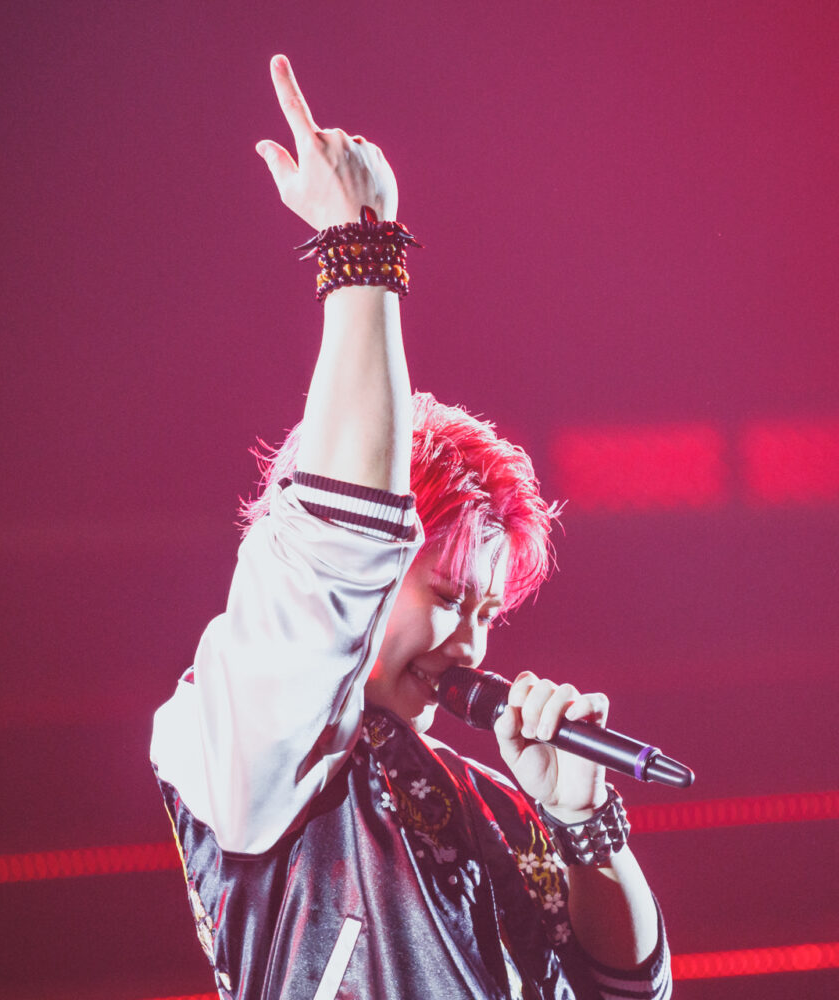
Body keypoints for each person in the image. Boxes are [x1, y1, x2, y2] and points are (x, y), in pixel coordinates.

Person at [150, 54, 671, 1000]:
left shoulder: (494, 805)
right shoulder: (246, 736)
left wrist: (585, 826)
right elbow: (338, 541)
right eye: (446, 594)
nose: (471, 642)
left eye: (487, 613)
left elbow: (628, 994)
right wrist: (361, 248)